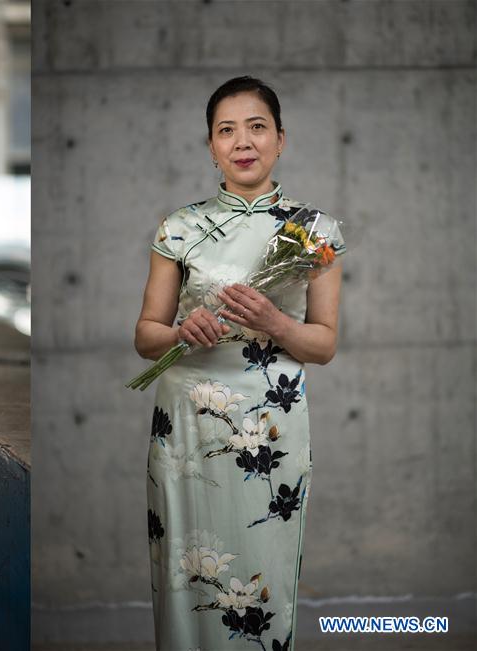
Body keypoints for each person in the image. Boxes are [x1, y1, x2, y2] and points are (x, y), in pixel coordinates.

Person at [134, 76, 345, 651]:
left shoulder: (314, 232)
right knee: (186, 572)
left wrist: (275, 323)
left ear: (280, 138)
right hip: (187, 423)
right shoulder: (178, 227)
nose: (242, 141)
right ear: (211, 146)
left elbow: (323, 345)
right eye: (226, 130)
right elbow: (146, 336)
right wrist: (181, 331)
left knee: (263, 571)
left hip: (269, 429)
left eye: (257, 127)